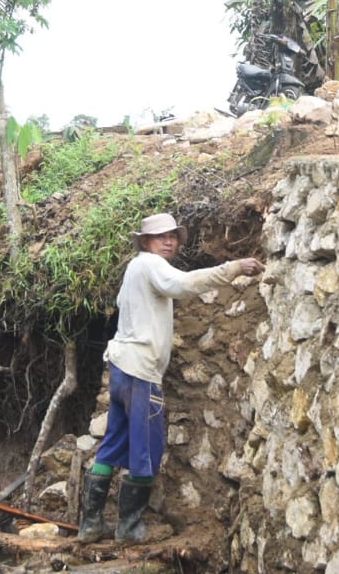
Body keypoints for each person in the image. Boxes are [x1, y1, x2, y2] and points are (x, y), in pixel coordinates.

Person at [77, 213, 264, 545]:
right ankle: (129, 528)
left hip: (121, 368)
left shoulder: (135, 268)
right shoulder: (151, 265)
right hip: (141, 374)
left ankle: (90, 526)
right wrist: (232, 268)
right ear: (146, 241)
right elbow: (183, 285)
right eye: (161, 236)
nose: (169, 241)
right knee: (147, 448)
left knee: (113, 445)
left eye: (173, 236)